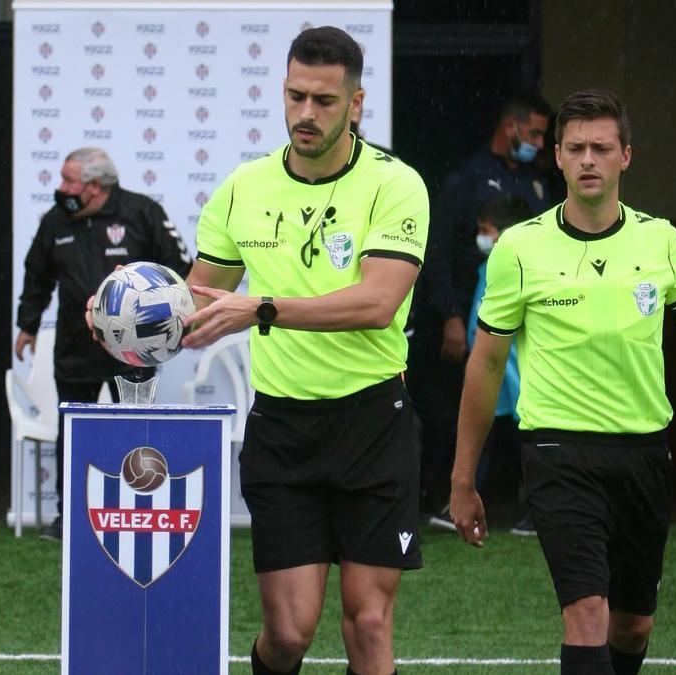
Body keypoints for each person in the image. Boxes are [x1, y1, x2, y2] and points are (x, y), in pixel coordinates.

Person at [450, 89, 676, 675]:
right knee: (587, 611)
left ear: (625, 157)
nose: (588, 158)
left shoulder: (660, 240)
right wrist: (463, 478)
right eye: (576, 148)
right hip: (557, 452)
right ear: (559, 159)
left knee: (632, 624)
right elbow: (486, 365)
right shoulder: (518, 248)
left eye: (601, 147)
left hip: (644, 454)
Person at [180, 26, 429, 675]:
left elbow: (376, 302)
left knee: (368, 621)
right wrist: (129, 314)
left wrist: (263, 309)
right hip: (284, 428)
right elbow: (202, 299)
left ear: (356, 103)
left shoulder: (395, 185)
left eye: (323, 100)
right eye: (295, 97)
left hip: (374, 422)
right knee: (288, 634)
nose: (306, 114)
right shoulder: (243, 187)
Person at [16, 147, 191, 541]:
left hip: (132, 351)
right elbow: (36, 275)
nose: (61, 188)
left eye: (68, 180)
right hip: (75, 347)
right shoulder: (55, 221)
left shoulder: (142, 212)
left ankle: (140, 510)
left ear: (95, 187)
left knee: (135, 430)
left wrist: (174, 320)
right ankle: (70, 517)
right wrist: (27, 324)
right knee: (72, 431)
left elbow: (180, 271)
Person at [410, 94, 554, 530]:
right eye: (534, 133)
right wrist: (452, 315)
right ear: (510, 127)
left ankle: (527, 506)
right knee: (463, 413)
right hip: (470, 322)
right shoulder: (466, 180)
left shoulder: (537, 183)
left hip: (525, 327)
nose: (539, 144)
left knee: (525, 418)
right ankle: (445, 498)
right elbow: (436, 253)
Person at [464, 196, 534, 534]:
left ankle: (537, 510)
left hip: (517, 373)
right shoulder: (485, 268)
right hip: (494, 376)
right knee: (493, 436)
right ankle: (470, 500)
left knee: (528, 440)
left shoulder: (521, 268)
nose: (481, 237)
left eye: (486, 230)